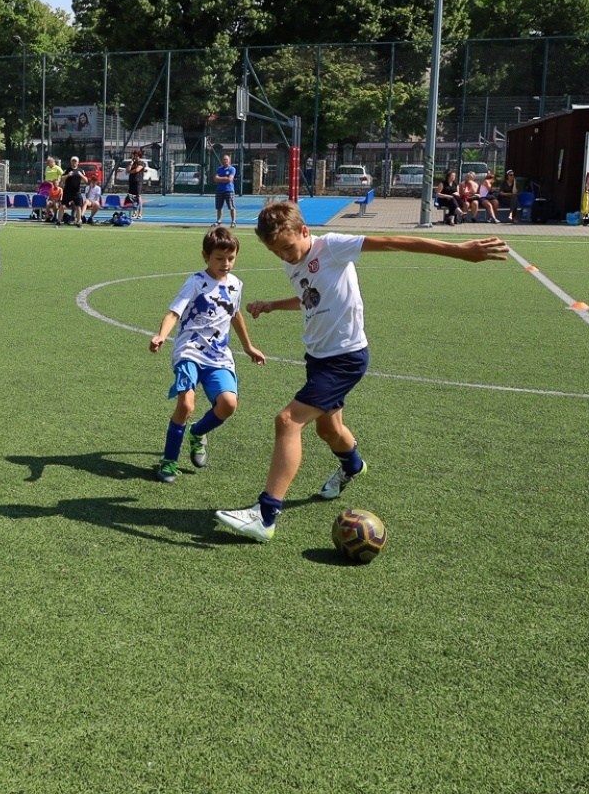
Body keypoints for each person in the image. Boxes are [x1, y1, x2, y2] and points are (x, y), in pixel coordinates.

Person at [213, 201, 507, 542]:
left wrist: (460, 251)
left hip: (345, 358)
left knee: (287, 421)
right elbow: (310, 296)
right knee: (329, 429)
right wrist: (273, 305)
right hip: (318, 358)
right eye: (276, 252)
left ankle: (265, 516)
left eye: (288, 248)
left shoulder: (333, 246)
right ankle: (352, 465)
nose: (285, 257)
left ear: (305, 232)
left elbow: (397, 243)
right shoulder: (292, 264)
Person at [148, 226, 266, 483]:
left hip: (218, 355)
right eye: (219, 258)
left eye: (231, 258)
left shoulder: (235, 285)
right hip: (189, 351)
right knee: (186, 405)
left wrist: (248, 347)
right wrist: (161, 335)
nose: (225, 264)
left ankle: (197, 433)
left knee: (228, 404)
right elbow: (173, 313)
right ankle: (168, 461)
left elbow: (235, 315)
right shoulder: (196, 282)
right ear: (206, 256)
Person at [60, 156, 87, 226]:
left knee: (78, 207)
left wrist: (81, 175)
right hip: (67, 191)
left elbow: (86, 181)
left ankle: (79, 221)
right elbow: (62, 178)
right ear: (71, 162)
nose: (74, 162)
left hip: (76, 192)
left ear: (78, 162)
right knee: (62, 206)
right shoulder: (67, 170)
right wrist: (68, 175)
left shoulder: (81, 170)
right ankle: (59, 221)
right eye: (73, 161)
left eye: (75, 161)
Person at [213, 153, 238, 227]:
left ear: (229, 160)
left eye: (226, 159)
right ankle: (219, 221)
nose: (225, 161)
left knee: (231, 207)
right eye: (224, 159)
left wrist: (221, 179)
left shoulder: (232, 169)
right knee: (219, 207)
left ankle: (233, 221)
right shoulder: (219, 169)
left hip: (229, 190)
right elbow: (215, 179)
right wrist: (224, 178)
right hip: (219, 190)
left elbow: (230, 179)